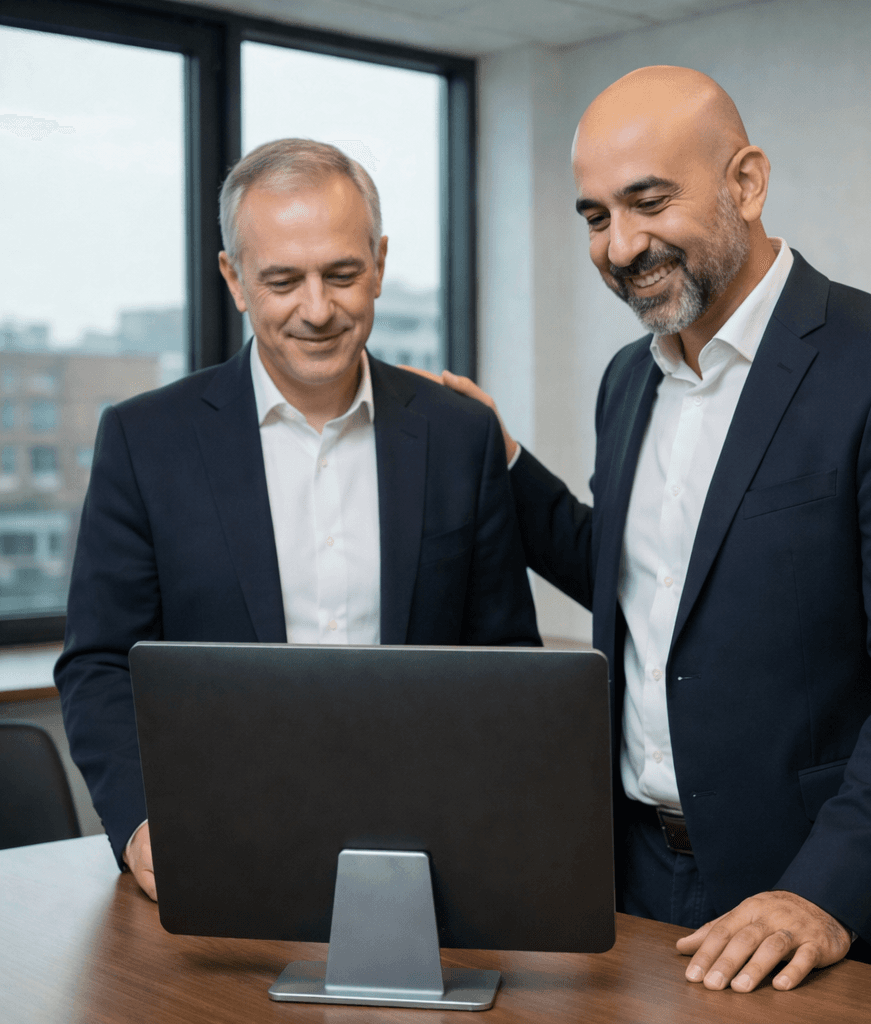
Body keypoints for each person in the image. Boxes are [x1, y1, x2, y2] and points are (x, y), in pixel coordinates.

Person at [419, 67, 871, 991]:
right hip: (638, 881)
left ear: (747, 182)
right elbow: (643, 577)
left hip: (822, 898)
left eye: (649, 202)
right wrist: (506, 460)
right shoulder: (628, 379)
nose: (621, 246)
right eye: (596, 216)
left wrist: (822, 894)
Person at [55, 138, 540, 902]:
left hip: (429, 857)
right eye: (283, 280)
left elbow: (507, 664)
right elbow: (100, 662)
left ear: (379, 263)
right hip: (220, 853)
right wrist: (141, 823)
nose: (317, 310)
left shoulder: (460, 435)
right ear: (234, 279)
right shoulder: (144, 440)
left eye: (342, 274)